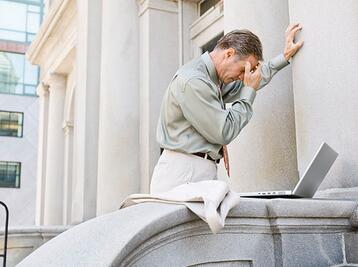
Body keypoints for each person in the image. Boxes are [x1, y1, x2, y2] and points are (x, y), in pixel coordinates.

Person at [150, 23, 304, 194]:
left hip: (194, 170)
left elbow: (250, 80)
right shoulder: (195, 81)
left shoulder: (213, 79)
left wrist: (284, 56)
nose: (242, 76)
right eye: (242, 70)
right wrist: (249, 93)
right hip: (182, 173)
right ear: (229, 54)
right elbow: (224, 131)